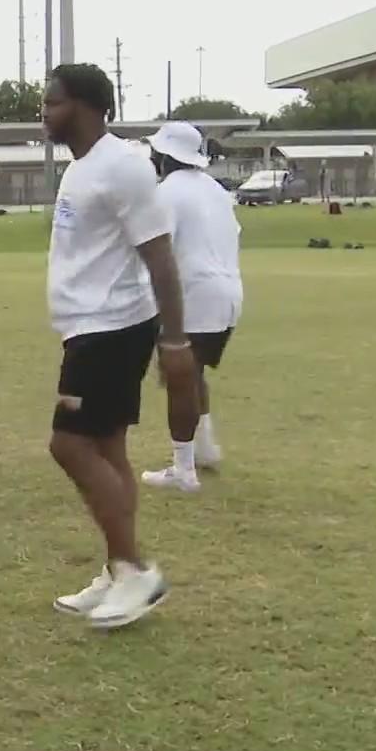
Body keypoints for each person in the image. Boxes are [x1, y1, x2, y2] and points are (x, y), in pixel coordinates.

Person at [41, 64, 196, 629]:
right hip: (88, 327)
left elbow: (160, 257)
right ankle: (116, 568)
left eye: (52, 102)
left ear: (84, 106)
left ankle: (135, 570)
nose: (44, 111)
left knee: (68, 445)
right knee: (107, 449)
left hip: (111, 329)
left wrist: (176, 342)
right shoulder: (82, 169)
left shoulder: (124, 167)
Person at [140, 122, 242, 493]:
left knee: (178, 373)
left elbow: (157, 248)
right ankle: (206, 448)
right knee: (193, 369)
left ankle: (183, 468)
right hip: (228, 291)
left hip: (193, 293)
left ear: (166, 156)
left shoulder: (167, 193)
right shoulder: (215, 190)